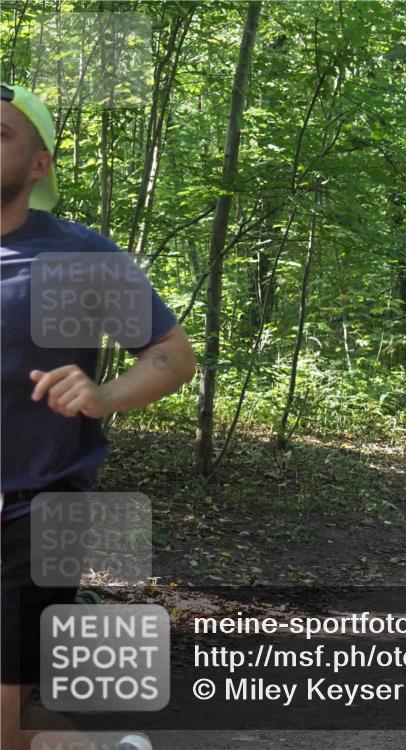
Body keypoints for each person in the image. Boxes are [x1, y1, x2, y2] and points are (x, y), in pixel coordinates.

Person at [1, 84, 196, 750]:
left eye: (0, 135)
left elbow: (172, 356)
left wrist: (104, 394)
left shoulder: (80, 256)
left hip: (31, 514)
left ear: (39, 165)